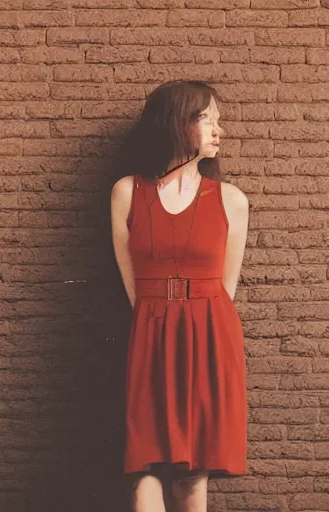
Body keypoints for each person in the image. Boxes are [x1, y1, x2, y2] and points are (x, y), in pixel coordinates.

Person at [110, 80, 249, 512]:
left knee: (192, 473)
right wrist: (162, 320)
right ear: (175, 122)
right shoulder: (127, 192)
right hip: (150, 335)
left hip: (209, 337)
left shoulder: (231, 200)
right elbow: (131, 283)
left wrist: (193, 321)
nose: (218, 130)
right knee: (145, 466)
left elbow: (226, 287)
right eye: (206, 117)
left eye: (218, 120)